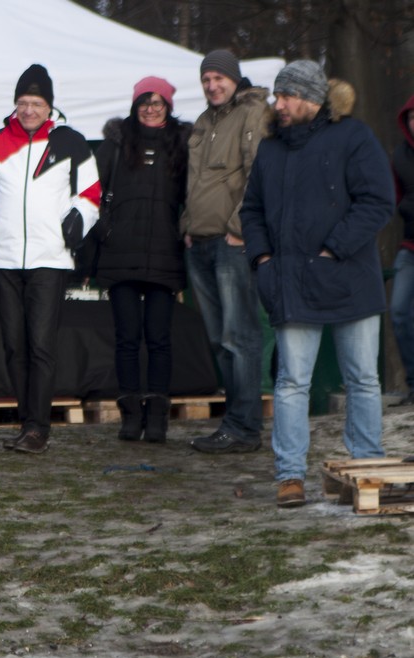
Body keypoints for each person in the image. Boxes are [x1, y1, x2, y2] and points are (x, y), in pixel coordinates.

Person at [240, 62, 395, 509]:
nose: (279, 104)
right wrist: (263, 258)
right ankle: (290, 475)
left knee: (362, 378)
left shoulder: (354, 136)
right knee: (291, 382)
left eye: (287, 96)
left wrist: (333, 248)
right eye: (278, 96)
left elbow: (377, 201)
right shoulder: (271, 148)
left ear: (311, 98)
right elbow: (251, 210)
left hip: (349, 278)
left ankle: (366, 466)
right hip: (290, 280)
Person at [0, 65, 100, 455]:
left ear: (49, 106)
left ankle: (38, 428)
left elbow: (91, 194)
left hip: (49, 259)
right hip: (4, 260)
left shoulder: (70, 142)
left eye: (36, 103)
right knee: (13, 346)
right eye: (22, 102)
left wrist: (73, 226)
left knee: (40, 345)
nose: (29, 110)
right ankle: (27, 423)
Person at [180, 50, 272, 454]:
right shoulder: (204, 121)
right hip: (199, 242)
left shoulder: (253, 113)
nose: (212, 85)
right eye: (206, 79)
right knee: (219, 340)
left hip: (231, 242)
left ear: (235, 79)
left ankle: (244, 427)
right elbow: (194, 181)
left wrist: (239, 229)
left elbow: (258, 174)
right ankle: (233, 423)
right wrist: (187, 225)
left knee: (240, 337)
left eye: (219, 78)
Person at [92, 76, 191, 444]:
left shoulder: (183, 143)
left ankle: (158, 418)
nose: (150, 109)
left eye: (157, 102)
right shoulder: (117, 143)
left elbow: (194, 194)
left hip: (165, 254)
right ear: (135, 106)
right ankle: (131, 415)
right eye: (144, 102)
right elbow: (90, 191)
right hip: (121, 254)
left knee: (160, 339)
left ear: (168, 106)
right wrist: (103, 229)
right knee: (127, 339)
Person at [391, 92, 414, 407]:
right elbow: (390, 197)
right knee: (398, 311)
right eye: (410, 117)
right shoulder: (399, 155)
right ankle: (412, 383)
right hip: (409, 245)